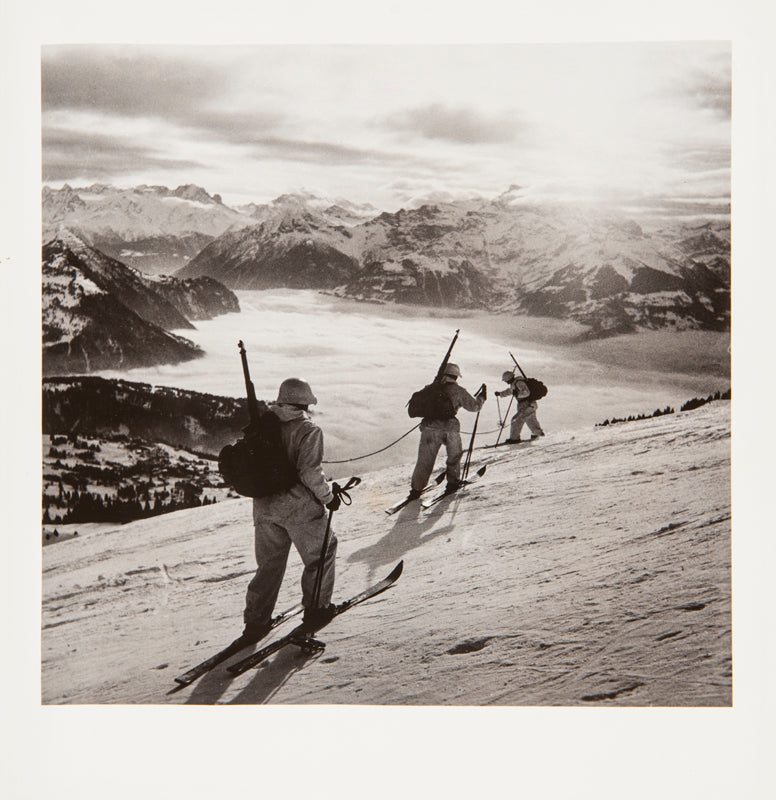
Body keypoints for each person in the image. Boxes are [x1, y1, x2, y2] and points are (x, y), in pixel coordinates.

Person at [241, 377, 342, 642]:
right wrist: (329, 498)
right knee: (323, 551)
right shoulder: (308, 430)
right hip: (297, 506)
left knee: (269, 566)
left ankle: (255, 622)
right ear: (304, 402)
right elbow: (309, 471)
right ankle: (317, 609)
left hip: (263, 505)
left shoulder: (263, 424)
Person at [408, 363, 486, 499]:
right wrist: (481, 398)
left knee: (424, 460)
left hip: (429, 428)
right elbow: (474, 407)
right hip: (450, 428)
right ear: (456, 376)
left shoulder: (430, 388)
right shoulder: (458, 390)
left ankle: (416, 489)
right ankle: (452, 483)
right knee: (454, 456)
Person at [496, 370, 545, 443]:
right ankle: (538, 434)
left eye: (506, 380)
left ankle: (514, 439)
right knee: (531, 420)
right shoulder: (515, 384)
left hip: (527, 404)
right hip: (529, 404)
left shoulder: (519, 382)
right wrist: (500, 394)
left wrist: (518, 394)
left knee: (516, 420)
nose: (506, 382)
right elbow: (510, 391)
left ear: (508, 379)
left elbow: (526, 392)